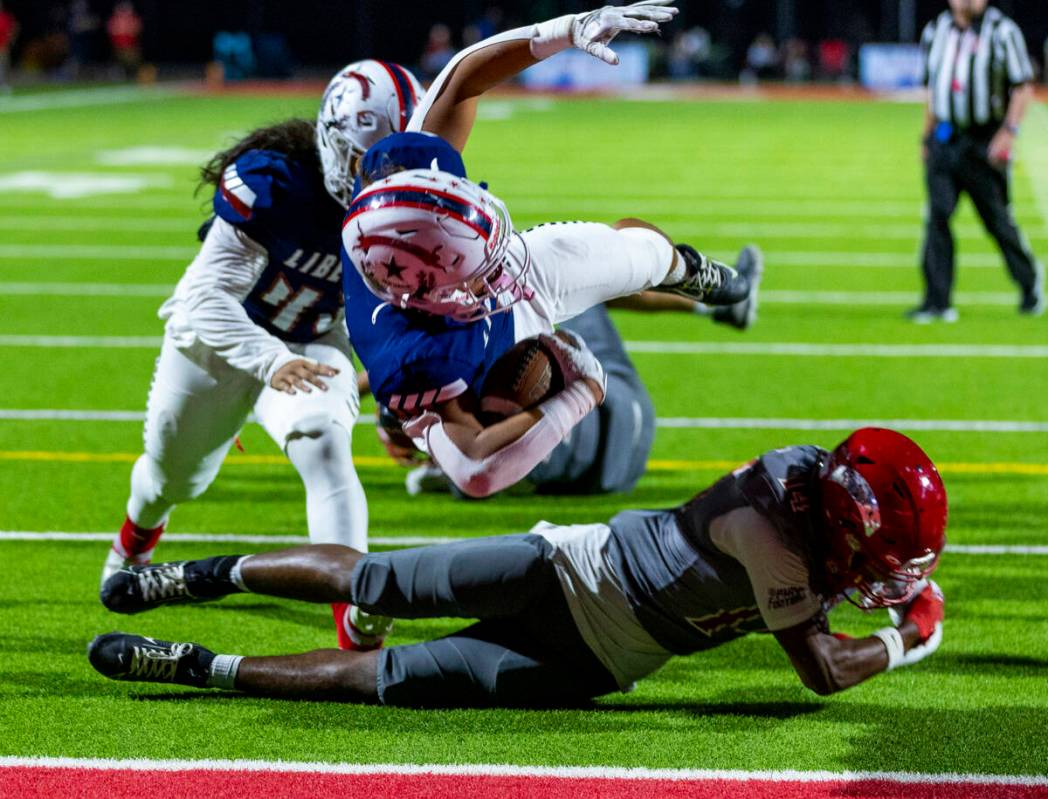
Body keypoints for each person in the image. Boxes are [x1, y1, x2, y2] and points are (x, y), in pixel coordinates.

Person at [89, 428, 948, 708]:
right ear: (840, 517)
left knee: (384, 678)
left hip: (598, 661)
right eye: (879, 551)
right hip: (565, 572)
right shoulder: (771, 526)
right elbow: (824, 668)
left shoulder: (819, 501)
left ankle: (201, 666)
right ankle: (203, 576)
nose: (885, 571)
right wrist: (910, 634)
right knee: (379, 581)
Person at [343, 1, 761, 501]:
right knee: (453, 410)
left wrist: (564, 30)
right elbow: (476, 472)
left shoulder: (405, 182)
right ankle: (436, 439)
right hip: (468, 339)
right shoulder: (408, 358)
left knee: (643, 251)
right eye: (480, 265)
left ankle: (696, 274)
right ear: (428, 291)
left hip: (509, 284)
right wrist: (582, 390)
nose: (496, 262)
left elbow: (461, 78)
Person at [100, 60, 424, 652]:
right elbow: (203, 298)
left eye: (395, 165)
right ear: (332, 142)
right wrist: (270, 361)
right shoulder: (276, 185)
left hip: (314, 338)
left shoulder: (412, 206)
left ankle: (354, 609)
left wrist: (401, 395)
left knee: (322, 442)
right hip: (222, 338)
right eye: (365, 160)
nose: (378, 179)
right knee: (174, 477)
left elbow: (396, 311)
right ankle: (137, 536)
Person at [912, 0, 1044, 322]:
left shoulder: (1003, 31)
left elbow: (1022, 86)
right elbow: (933, 89)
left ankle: (1029, 285)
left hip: (984, 141)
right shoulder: (936, 30)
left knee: (997, 221)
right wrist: (926, 136)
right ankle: (937, 301)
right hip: (946, 138)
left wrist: (1008, 132)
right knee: (937, 216)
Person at [106, 1, 142, 81]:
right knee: (117, 60)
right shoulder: (115, 19)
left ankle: (133, 75)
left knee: (133, 59)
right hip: (117, 46)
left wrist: (126, 27)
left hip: (130, 45)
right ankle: (117, 74)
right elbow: (112, 30)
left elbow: (135, 31)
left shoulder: (133, 19)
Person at [0, 1, 17, 94]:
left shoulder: (5, 17)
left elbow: (13, 28)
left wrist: (10, 41)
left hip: (3, 47)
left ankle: (2, 84)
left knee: (3, 67)